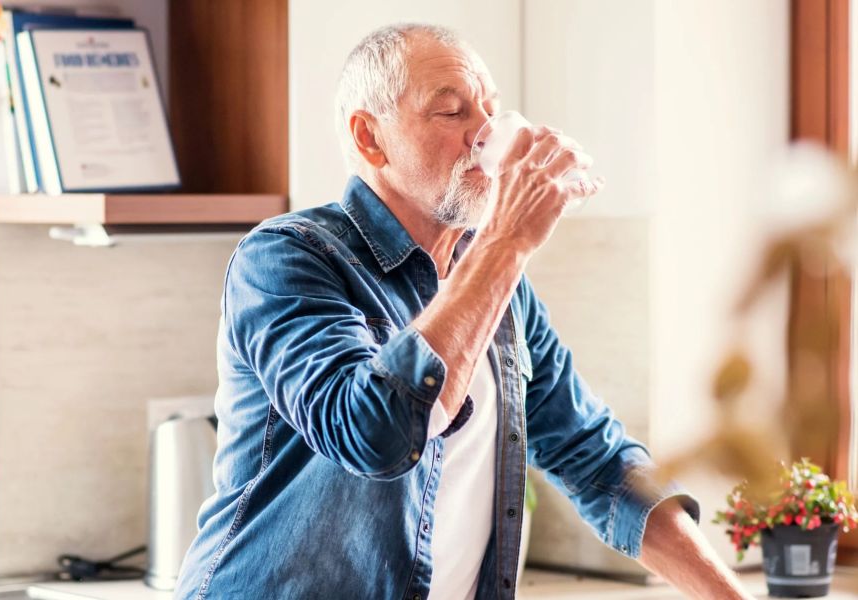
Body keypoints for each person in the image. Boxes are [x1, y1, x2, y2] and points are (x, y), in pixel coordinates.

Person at [175, 23, 754, 600]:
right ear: (371, 139)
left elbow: (598, 462)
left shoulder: (500, 284)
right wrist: (507, 241)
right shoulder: (288, 257)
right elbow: (372, 435)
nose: (485, 135)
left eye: (490, 110)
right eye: (452, 112)